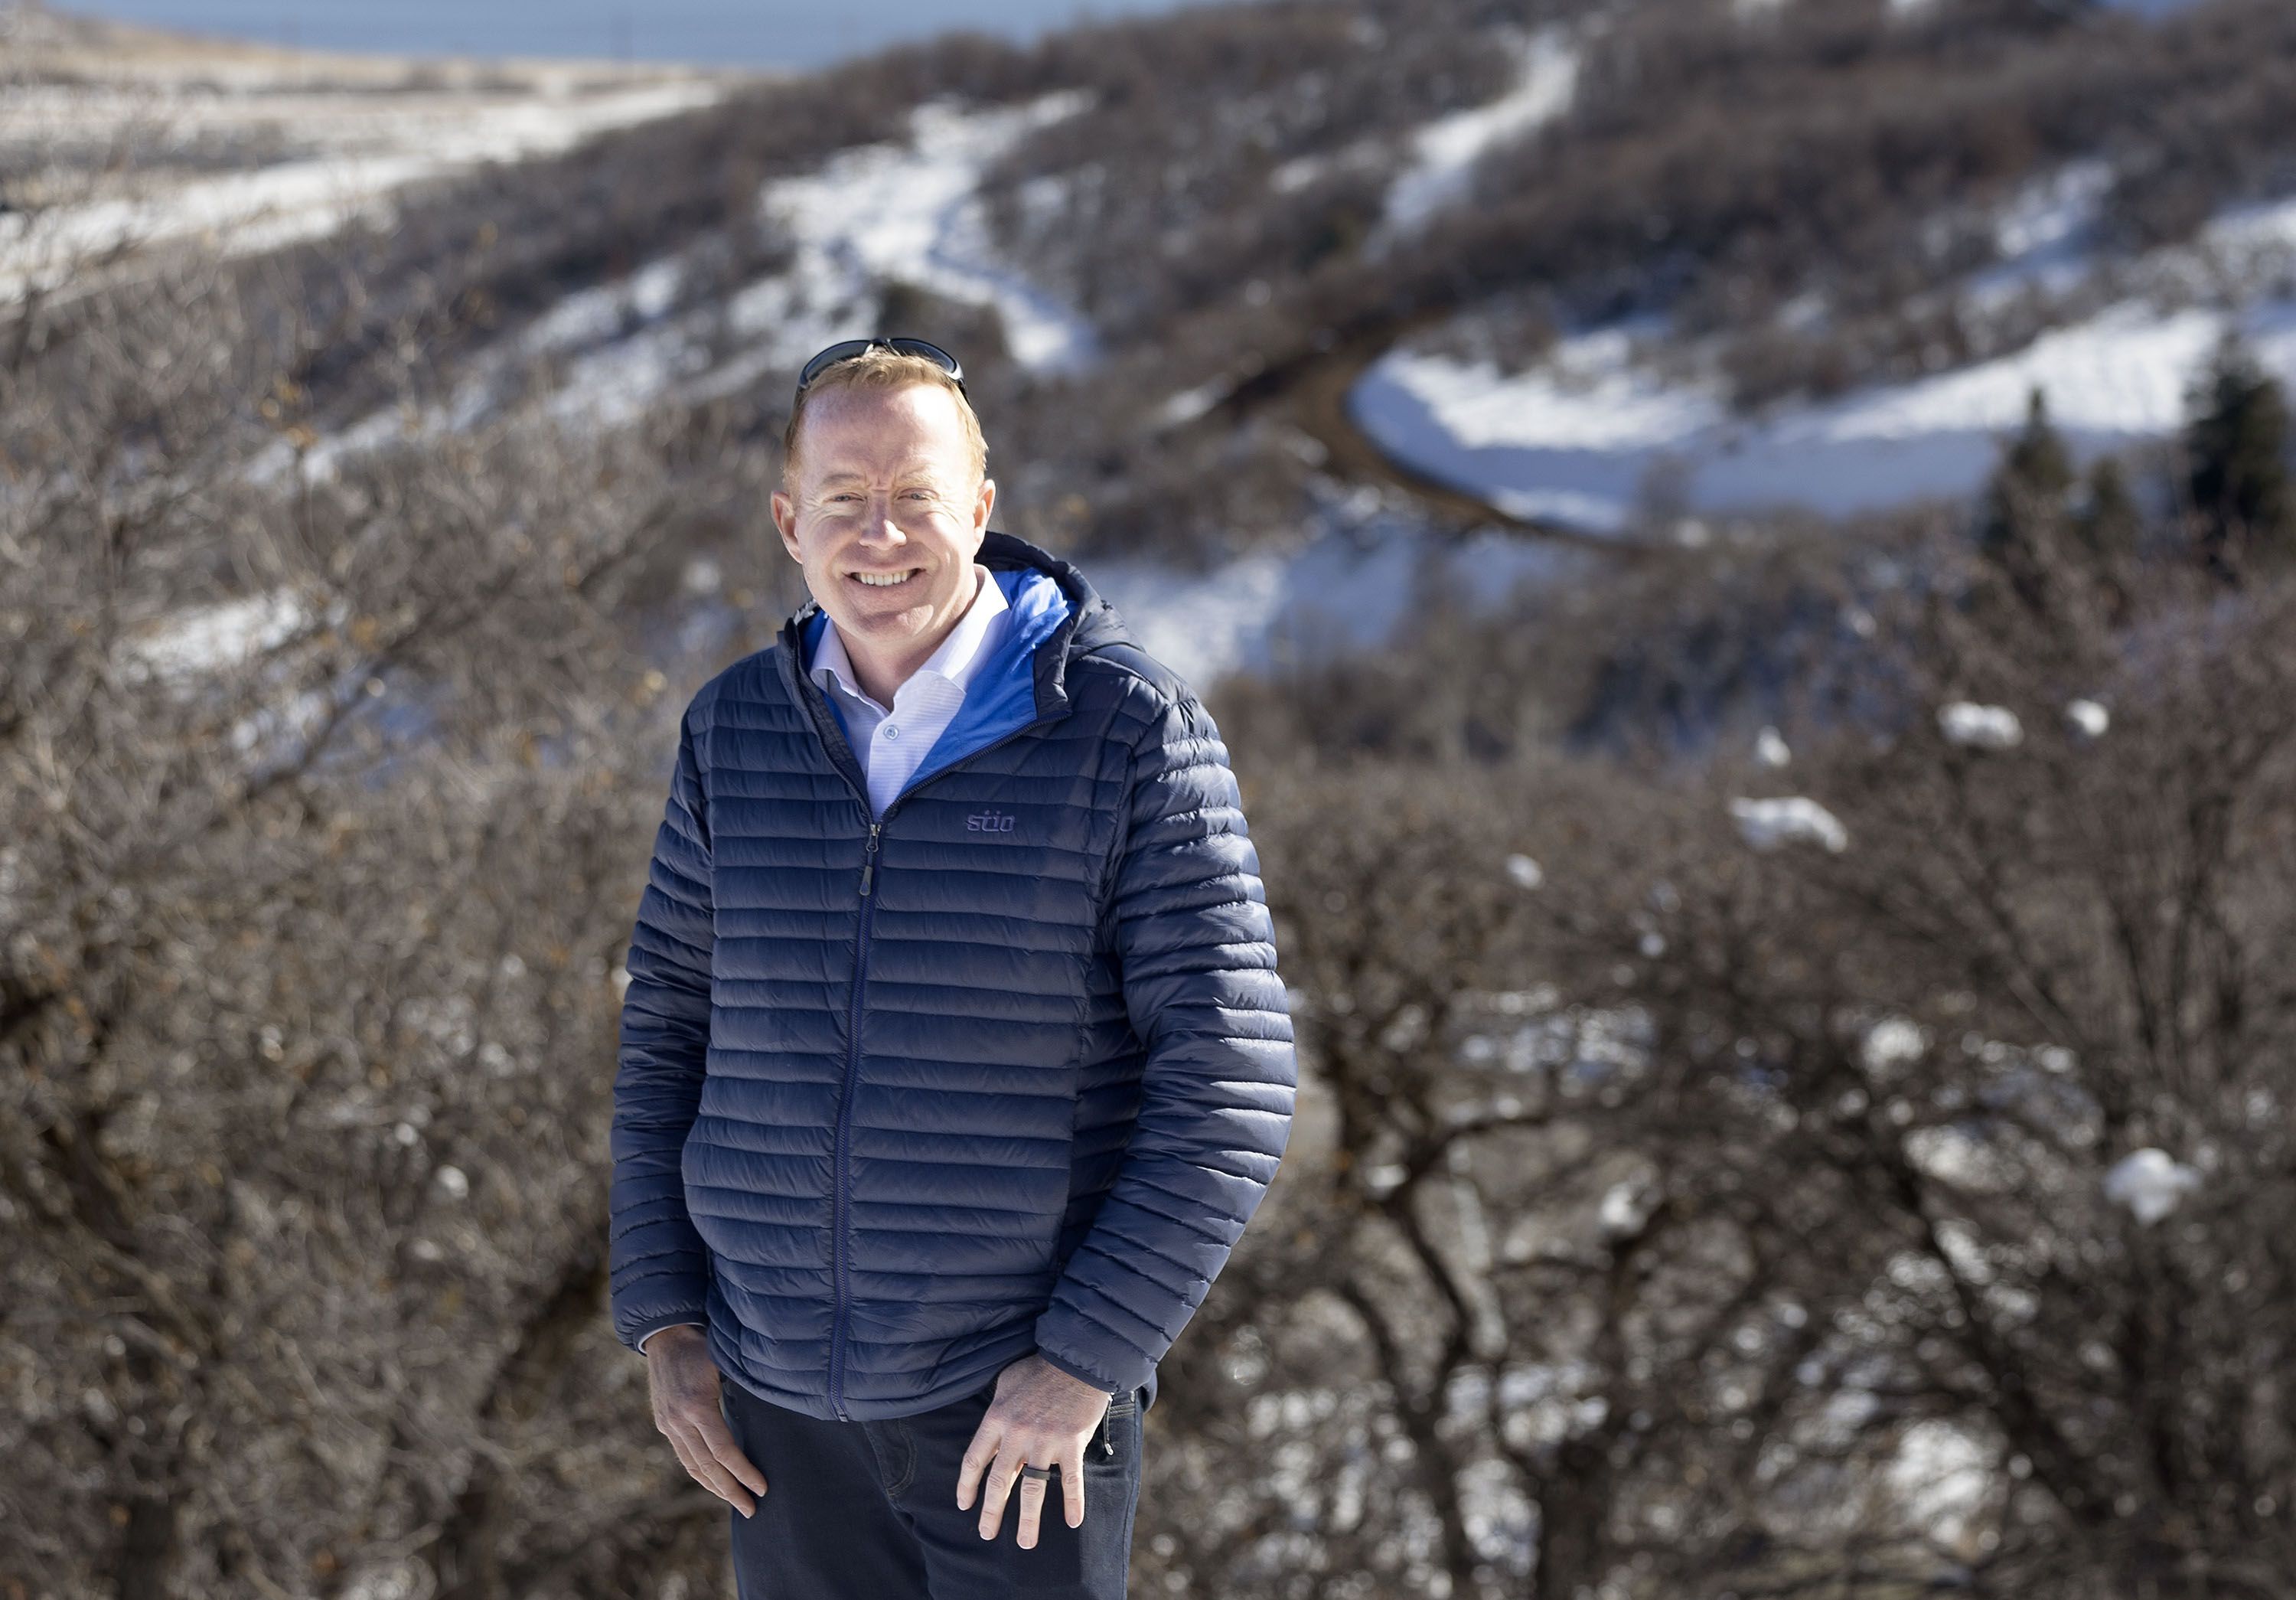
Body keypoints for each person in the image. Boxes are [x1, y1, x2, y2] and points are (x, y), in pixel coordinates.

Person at [606, 336, 1298, 1598]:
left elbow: (1231, 1078)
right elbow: (668, 1030)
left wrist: (1086, 1359)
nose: (882, 532)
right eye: (843, 498)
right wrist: (663, 1320)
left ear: (979, 509)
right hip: (775, 1415)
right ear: (788, 522)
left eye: (917, 494)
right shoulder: (735, 727)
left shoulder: (1124, 729)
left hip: (1016, 1415)